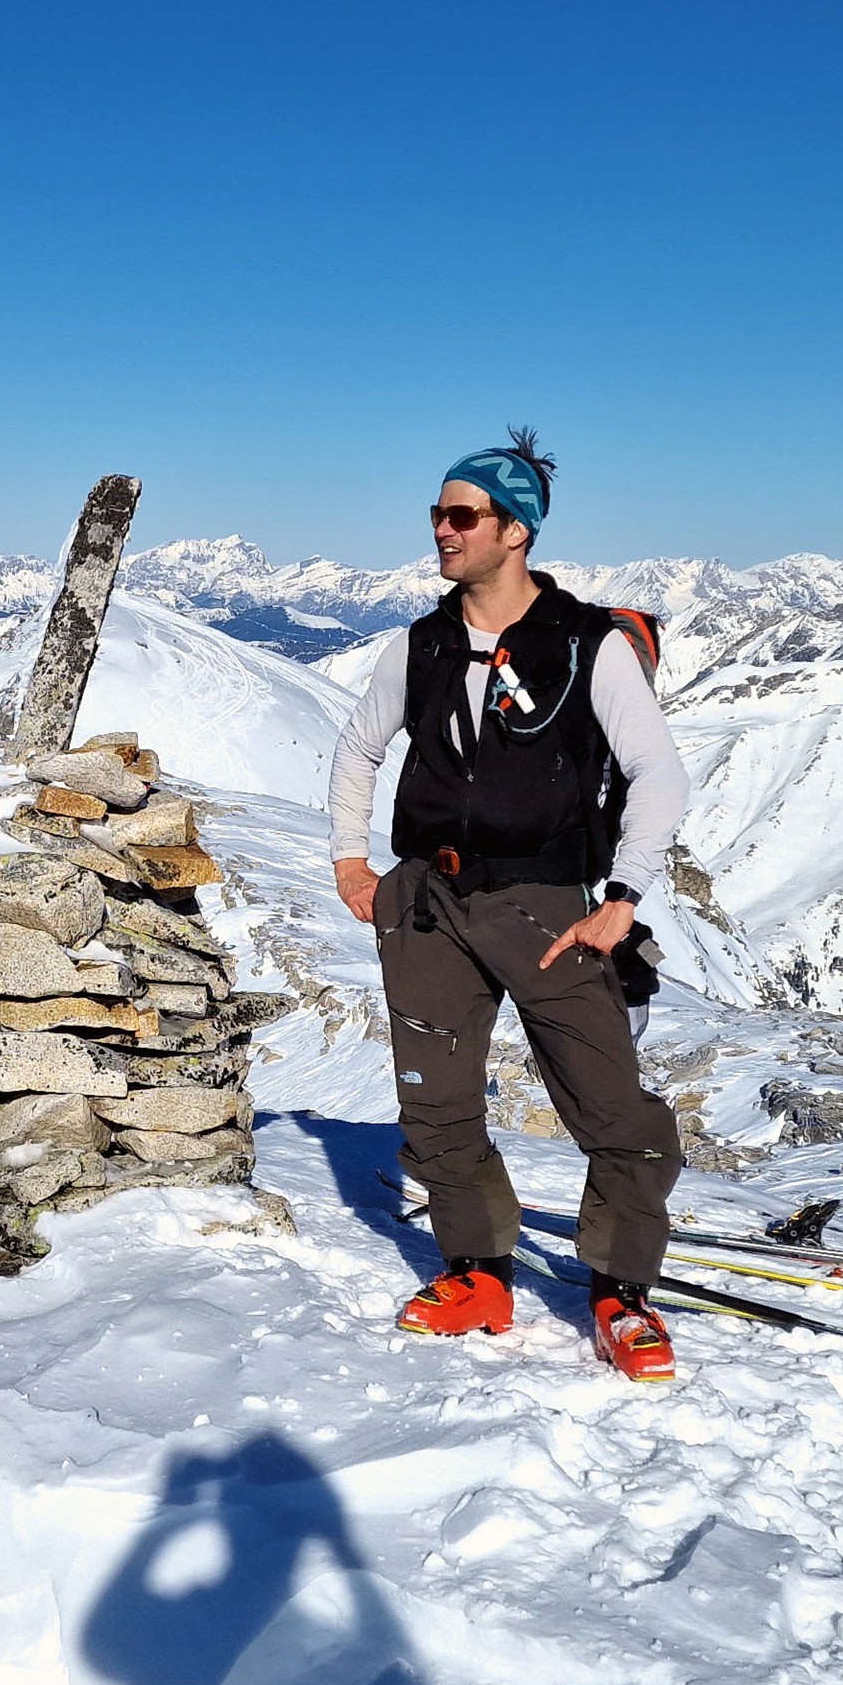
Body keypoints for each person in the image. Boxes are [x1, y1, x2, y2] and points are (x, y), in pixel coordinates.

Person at [325, 433, 693, 1381]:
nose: (441, 532)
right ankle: (477, 1273)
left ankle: (621, 1292)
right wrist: (352, 863)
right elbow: (359, 750)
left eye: (462, 516)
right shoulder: (426, 641)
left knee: (613, 1107)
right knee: (435, 1103)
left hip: (546, 903)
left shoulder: (586, 645)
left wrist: (622, 901)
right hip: (426, 899)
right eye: (438, 515)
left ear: (515, 530)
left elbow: (658, 774)